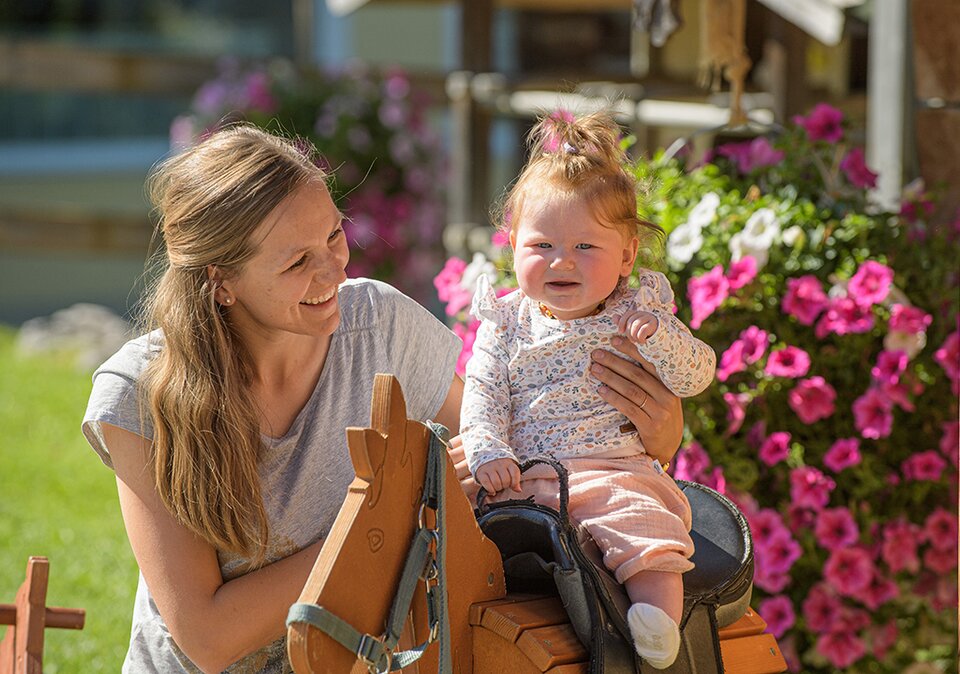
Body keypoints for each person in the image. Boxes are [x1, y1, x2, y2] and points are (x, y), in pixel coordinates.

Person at [80, 124, 684, 673]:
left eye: (334, 234)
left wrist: (655, 440)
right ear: (221, 282)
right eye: (297, 262)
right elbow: (208, 638)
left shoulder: (377, 324)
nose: (334, 271)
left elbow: (514, 436)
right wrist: (387, 523)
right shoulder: (138, 393)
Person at [460, 111, 716, 669]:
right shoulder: (505, 325)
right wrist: (488, 451)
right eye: (542, 244)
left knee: (645, 527)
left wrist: (663, 339)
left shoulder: (637, 313)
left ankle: (655, 620)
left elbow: (698, 374)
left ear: (627, 255)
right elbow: (480, 398)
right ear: (512, 248)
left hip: (615, 469)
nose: (561, 261)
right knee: (451, 516)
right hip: (528, 475)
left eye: (585, 247)